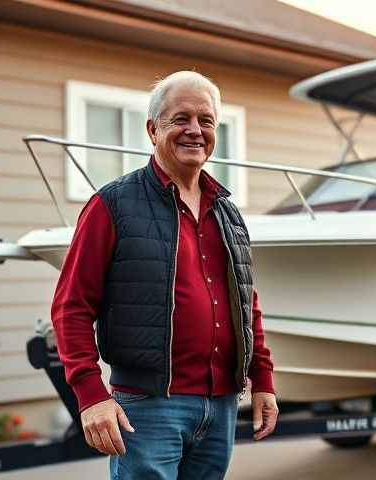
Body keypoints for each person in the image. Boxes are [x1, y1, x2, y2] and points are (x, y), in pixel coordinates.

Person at [51, 70, 277, 480]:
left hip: (221, 404)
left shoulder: (227, 211)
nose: (195, 130)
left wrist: (262, 379)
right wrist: (90, 395)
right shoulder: (112, 205)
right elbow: (71, 307)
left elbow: (247, 303)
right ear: (153, 130)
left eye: (206, 121)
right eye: (181, 119)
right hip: (147, 408)